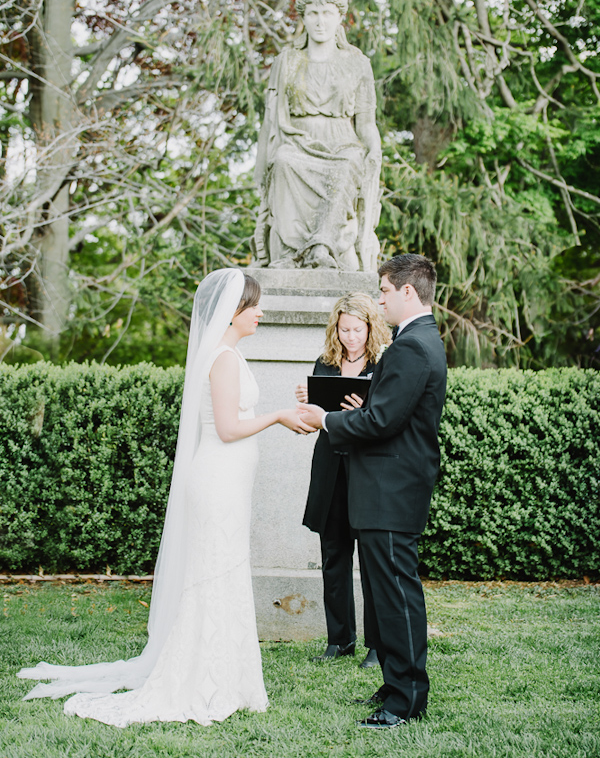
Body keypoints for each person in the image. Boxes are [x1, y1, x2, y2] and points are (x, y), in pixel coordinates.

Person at [18, 268, 313, 727]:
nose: (261, 313)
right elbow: (230, 428)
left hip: (228, 481)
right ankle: (203, 679)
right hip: (217, 479)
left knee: (224, 571)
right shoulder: (224, 359)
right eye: (254, 306)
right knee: (215, 573)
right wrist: (277, 415)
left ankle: (226, 677)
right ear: (233, 312)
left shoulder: (228, 354)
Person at [298, 255, 447, 730]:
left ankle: (404, 701)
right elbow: (386, 410)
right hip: (390, 488)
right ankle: (395, 684)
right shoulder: (419, 340)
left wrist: (326, 419)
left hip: (389, 490)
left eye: (383, 291)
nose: (379, 300)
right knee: (389, 593)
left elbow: (381, 421)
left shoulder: (410, 347)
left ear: (407, 292)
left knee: (398, 596)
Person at [253, 0, 382, 271]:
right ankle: (288, 253)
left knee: (349, 163)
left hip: (341, 142)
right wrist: (261, 166)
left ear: (339, 18)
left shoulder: (357, 63)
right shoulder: (286, 61)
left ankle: (321, 247)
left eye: (327, 14)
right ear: (304, 18)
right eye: (313, 14)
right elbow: (270, 122)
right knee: (283, 161)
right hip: (297, 138)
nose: (320, 22)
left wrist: (374, 148)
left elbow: (365, 122)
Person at [296, 293, 391, 667]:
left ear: (371, 327)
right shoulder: (325, 363)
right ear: (336, 328)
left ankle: (378, 645)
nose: (351, 337)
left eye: (358, 329)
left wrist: (363, 412)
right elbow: (309, 424)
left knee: (371, 560)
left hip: (367, 469)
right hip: (329, 468)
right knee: (333, 556)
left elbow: (387, 419)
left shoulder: (384, 363)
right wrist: (306, 404)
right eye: (344, 329)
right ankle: (340, 640)